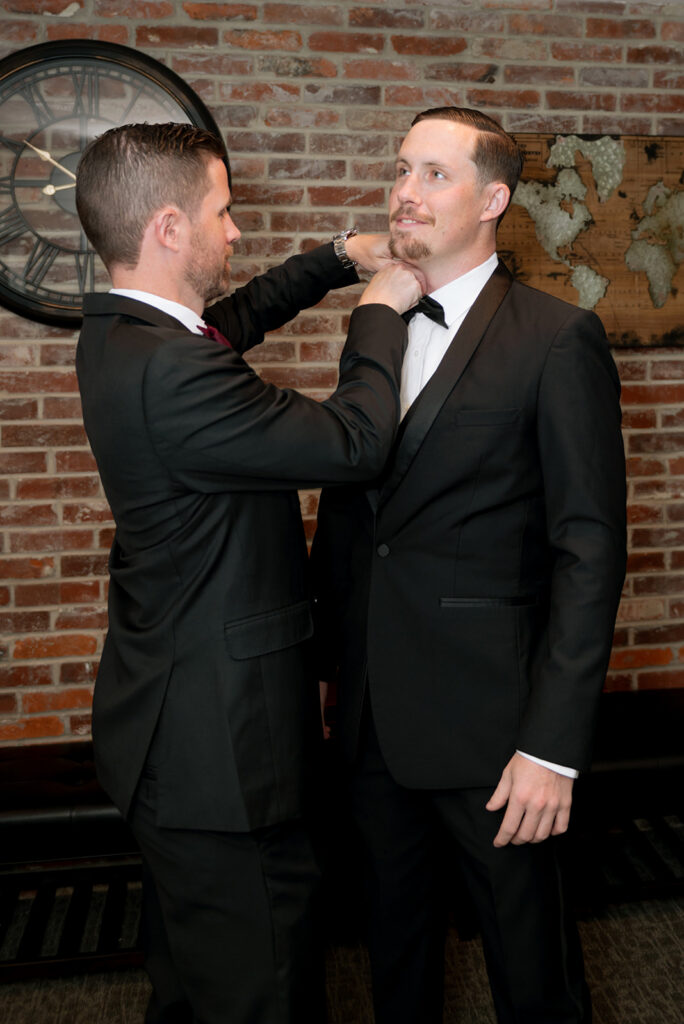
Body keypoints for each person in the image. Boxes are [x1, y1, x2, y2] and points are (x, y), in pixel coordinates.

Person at [74, 121, 423, 1024]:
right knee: (263, 992)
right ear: (167, 228)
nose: (235, 233)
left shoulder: (120, 333)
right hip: (221, 756)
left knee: (195, 984)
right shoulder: (175, 377)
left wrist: (340, 257)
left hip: (167, 733)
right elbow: (355, 442)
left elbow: (229, 323)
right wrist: (379, 308)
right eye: (222, 214)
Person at [311, 106, 627, 1023]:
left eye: (434, 175)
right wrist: (331, 672)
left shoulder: (557, 337)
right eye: (401, 169)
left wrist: (552, 748)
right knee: (394, 963)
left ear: (494, 198)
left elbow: (588, 549)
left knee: (532, 973)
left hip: (498, 737)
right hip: (372, 724)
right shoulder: (373, 323)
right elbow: (354, 514)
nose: (405, 192)